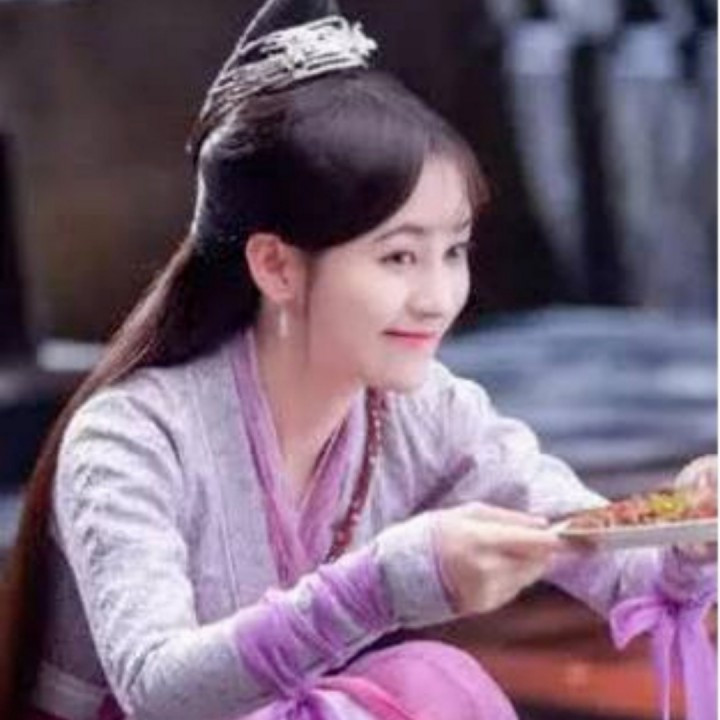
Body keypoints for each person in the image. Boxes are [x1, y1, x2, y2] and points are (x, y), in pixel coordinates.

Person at [0, 1, 716, 719]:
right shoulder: (132, 438)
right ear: (277, 266)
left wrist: (689, 536)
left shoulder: (423, 412)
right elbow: (160, 691)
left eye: (453, 251)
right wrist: (384, 583)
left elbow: (605, 557)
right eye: (399, 256)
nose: (438, 298)